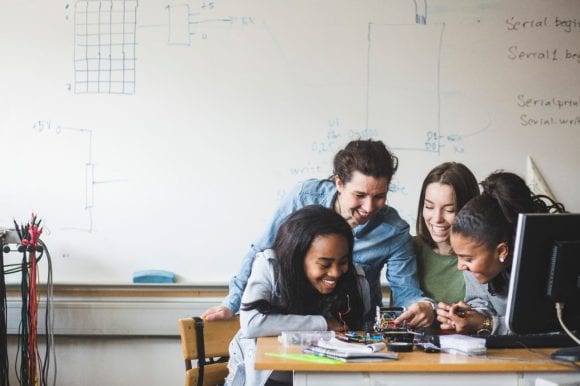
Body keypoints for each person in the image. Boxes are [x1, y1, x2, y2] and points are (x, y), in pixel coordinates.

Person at [203, 139, 435, 327]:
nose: (369, 207)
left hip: (352, 330)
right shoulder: (303, 198)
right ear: (339, 183)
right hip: (292, 324)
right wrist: (232, 303)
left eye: (379, 196)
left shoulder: (394, 230)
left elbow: (406, 292)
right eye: (360, 195)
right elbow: (262, 251)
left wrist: (423, 306)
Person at [224, 205, 370, 386]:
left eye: (343, 262)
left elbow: (361, 332)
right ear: (297, 257)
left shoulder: (355, 279)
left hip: (328, 377)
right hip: (270, 379)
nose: (335, 273)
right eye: (324, 265)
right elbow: (252, 324)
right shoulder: (269, 265)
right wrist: (324, 323)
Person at [436, 171, 565, 335]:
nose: (460, 266)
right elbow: (482, 306)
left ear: (502, 251)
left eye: (467, 259)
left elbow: (545, 328)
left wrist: (486, 324)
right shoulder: (475, 268)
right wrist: (469, 317)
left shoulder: (547, 265)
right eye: (458, 255)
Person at [414, 162, 479, 304]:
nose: (437, 218)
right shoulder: (408, 249)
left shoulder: (481, 256)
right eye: (429, 206)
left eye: (450, 210)